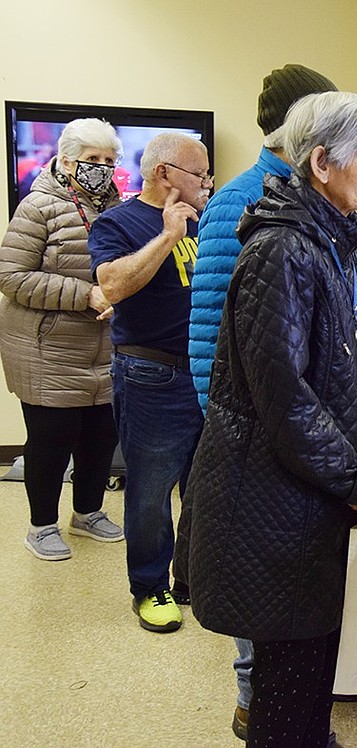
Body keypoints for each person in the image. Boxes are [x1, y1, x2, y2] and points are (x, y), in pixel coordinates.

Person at [182, 91, 357, 747]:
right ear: (321, 163)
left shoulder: (337, 245)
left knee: (310, 686)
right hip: (272, 512)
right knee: (284, 700)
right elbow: (285, 401)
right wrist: (356, 477)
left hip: (310, 502)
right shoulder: (281, 251)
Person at [183, 62, 337, 742]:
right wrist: (232, 438)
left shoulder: (313, 196)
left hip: (296, 434)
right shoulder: (238, 202)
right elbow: (209, 335)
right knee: (259, 598)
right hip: (253, 442)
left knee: (288, 598)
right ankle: (254, 707)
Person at [87, 132, 211, 632]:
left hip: (203, 373)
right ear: (164, 173)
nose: (206, 183)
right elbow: (111, 284)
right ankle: (150, 586)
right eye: (198, 174)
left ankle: (188, 580)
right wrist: (166, 238)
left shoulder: (202, 222)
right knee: (150, 491)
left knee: (201, 486)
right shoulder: (119, 221)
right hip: (150, 374)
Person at [0, 118, 124, 561]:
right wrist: (85, 294)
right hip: (45, 349)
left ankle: (88, 514)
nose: (102, 168)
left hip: (102, 346)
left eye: (110, 160)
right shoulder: (38, 206)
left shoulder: (114, 208)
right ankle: (41, 526)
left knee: (99, 438)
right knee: (51, 441)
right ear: (67, 160)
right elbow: (11, 276)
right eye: (93, 160)